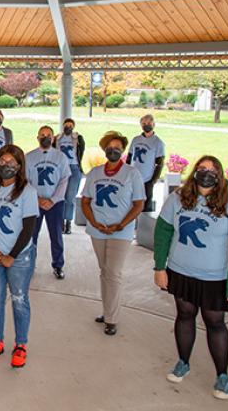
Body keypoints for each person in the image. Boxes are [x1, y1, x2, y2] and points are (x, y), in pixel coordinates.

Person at [154, 155, 228, 400]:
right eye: (202, 168)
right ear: (194, 172)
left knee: (215, 323)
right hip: (181, 272)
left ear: (220, 175)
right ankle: (183, 362)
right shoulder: (178, 198)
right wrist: (160, 267)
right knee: (185, 315)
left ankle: (222, 376)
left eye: (212, 170)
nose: (206, 173)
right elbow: (163, 231)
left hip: (215, 277)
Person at [0, 145, 38, 368]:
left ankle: (21, 344)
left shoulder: (27, 192)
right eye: (2, 162)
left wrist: (11, 255)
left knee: (19, 300)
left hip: (19, 257)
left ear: (19, 167)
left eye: (12, 163)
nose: (6, 166)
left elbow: (29, 227)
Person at [81, 131, 145, 336]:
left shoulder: (131, 173)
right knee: (105, 270)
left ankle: (112, 318)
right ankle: (107, 309)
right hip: (98, 229)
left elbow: (138, 204)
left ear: (123, 150)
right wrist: (93, 222)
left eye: (117, 147)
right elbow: (85, 200)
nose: (113, 150)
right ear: (104, 149)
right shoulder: (95, 173)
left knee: (113, 272)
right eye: (110, 147)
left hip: (121, 231)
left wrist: (121, 224)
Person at [26, 125, 70, 279]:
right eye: (42, 135)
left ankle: (58, 265)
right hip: (34, 203)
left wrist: (53, 199)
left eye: (48, 135)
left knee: (56, 235)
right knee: (31, 235)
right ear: (37, 137)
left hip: (55, 204)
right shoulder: (29, 157)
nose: (45, 137)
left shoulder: (61, 157)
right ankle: (29, 264)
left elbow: (64, 180)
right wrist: (36, 199)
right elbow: (25, 181)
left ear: (53, 138)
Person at [52, 118, 85, 234]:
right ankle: (60, 221)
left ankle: (68, 222)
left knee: (70, 198)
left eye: (71, 125)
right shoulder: (57, 138)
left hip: (74, 168)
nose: (68, 127)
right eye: (66, 125)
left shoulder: (78, 138)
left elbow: (81, 152)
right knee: (60, 196)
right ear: (63, 126)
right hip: (61, 169)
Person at [126, 114, 165, 212]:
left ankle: (144, 225)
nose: (146, 125)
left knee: (146, 203)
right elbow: (129, 157)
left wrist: (153, 179)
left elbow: (160, 163)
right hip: (133, 175)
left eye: (148, 123)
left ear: (153, 124)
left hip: (147, 177)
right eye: (143, 123)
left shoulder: (158, 142)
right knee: (131, 201)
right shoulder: (135, 140)